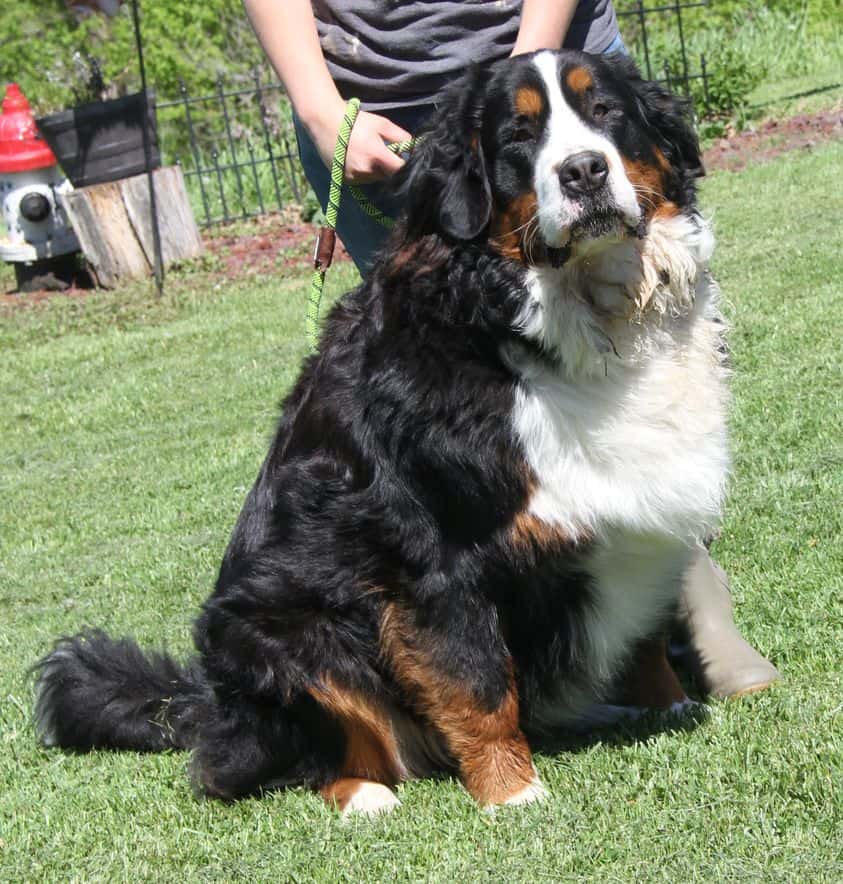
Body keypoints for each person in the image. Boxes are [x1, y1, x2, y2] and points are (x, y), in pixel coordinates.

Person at [243, 0, 779, 700]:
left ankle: (672, 617)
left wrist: (518, 76)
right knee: (466, 447)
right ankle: (519, 662)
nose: (576, 157)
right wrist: (320, 111)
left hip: (550, 39)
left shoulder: (601, 134)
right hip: (371, 98)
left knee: (650, 406)